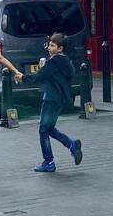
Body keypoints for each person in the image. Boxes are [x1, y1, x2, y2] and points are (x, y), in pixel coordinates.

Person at [31, 34, 82, 173]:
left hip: (50, 99)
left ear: (60, 48)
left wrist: (22, 77)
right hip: (59, 99)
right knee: (50, 129)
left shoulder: (54, 62)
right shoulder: (65, 61)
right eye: (49, 44)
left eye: (52, 46)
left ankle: (49, 162)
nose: (49, 47)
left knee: (43, 130)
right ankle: (72, 146)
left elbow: (39, 77)